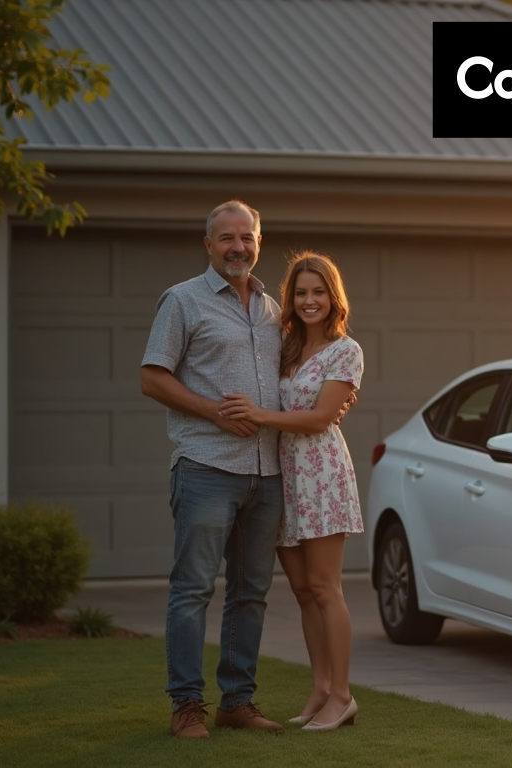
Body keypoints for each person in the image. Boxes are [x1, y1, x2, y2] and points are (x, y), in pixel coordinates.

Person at [140, 200, 293, 739]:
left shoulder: (275, 311)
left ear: (258, 242)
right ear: (209, 245)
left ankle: (238, 701)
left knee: (251, 592)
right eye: (226, 238)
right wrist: (214, 414)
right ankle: (187, 705)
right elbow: (152, 378)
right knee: (193, 589)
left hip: (266, 472)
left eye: (246, 237)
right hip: (205, 465)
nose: (238, 247)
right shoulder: (183, 301)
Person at [220, 251, 364, 732]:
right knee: (303, 591)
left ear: (333, 297)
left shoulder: (346, 351)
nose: (309, 301)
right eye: (300, 293)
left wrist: (259, 416)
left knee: (325, 589)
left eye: (318, 292)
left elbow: (322, 417)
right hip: (285, 474)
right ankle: (320, 688)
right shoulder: (283, 346)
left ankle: (343, 695)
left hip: (322, 475)